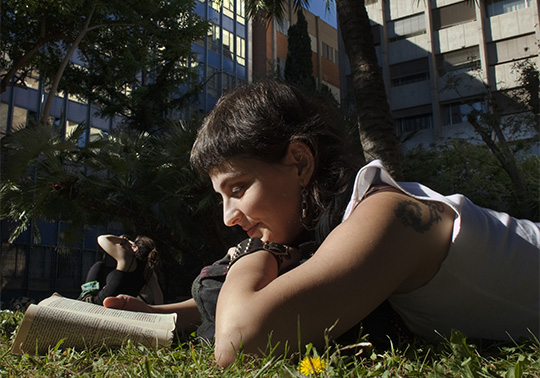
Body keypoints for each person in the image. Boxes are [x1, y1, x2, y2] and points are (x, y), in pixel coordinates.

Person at [104, 80, 540, 367]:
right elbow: (299, 286)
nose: (228, 217)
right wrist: (160, 314)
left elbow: (240, 342)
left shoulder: (386, 217)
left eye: (238, 189)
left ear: (299, 161)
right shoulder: (339, 222)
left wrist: (256, 253)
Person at [80, 234, 163, 305]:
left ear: (136, 249)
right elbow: (158, 297)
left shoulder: (127, 259)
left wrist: (124, 240)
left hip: (96, 303)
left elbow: (101, 239)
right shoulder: (148, 272)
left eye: (132, 245)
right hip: (119, 306)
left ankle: (85, 295)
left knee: (99, 265)